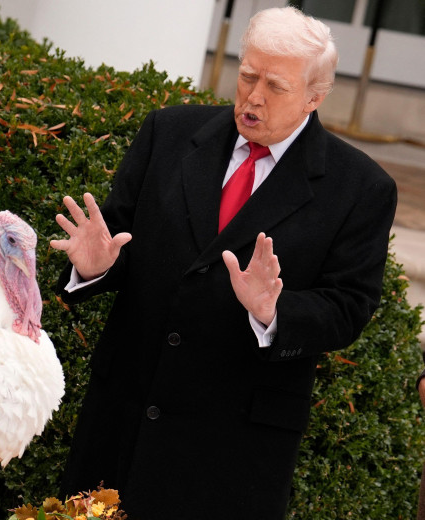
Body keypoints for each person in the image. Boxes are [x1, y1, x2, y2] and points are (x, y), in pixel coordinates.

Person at [50, 6, 397, 519]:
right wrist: (97, 267)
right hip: (123, 417)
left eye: (275, 86)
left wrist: (274, 313)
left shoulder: (360, 188)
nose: (253, 96)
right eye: (247, 75)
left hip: (233, 450)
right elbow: (122, 240)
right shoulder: (168, 133)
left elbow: (350, 306)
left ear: (315, 97)